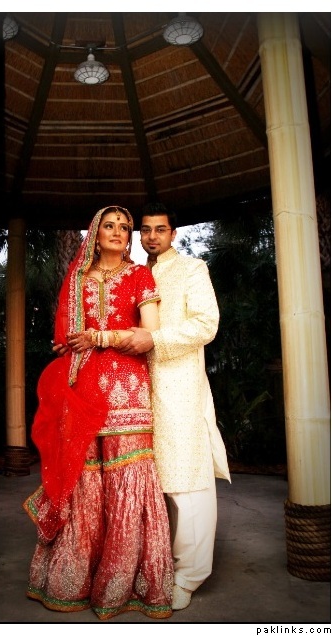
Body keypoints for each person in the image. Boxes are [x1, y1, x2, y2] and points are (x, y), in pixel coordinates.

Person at [23, 205, 174, 621]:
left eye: (125, 227)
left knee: (129, 478)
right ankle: (73, 582)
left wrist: (99, 337)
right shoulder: (77, 279)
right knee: (84, 478)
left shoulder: (140, 276)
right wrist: (69, 344)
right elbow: (67, 336)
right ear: (95, 232)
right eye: (110, 225)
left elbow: (151, 333)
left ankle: (120, 585)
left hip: (128, 389)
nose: (118, 232)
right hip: (83, 386)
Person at [118, 203, 231, 611]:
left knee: (187, 480)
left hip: (179, 386)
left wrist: (156, 340)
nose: (152, 236)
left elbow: (206, 324)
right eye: (145, 230)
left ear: (173, 233)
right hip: (137, 389)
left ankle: (189, 575)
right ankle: (158, 565)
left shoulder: (191, 269)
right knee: (151, 482)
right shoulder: (132, 273)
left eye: (160, 229)